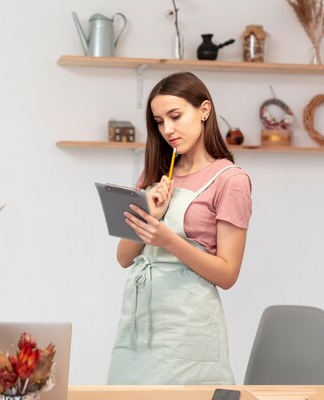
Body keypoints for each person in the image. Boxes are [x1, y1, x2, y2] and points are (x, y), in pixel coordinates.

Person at [107, 72, 252, 385]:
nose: (167, 130)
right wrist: (152, 217)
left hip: (189, 330)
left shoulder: (231, 181)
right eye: (159, 121)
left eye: (175, 116)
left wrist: (168, 240)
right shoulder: (155, 173)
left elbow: (227, 274)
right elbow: (123, 257)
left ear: (204, 110)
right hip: (139, 324)